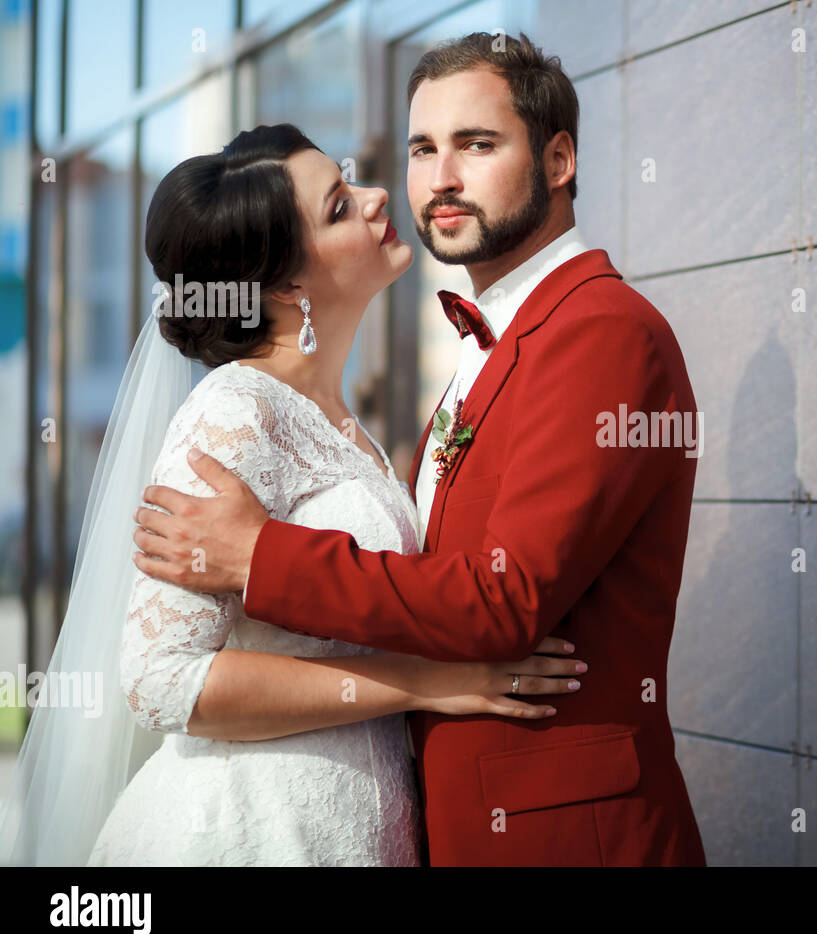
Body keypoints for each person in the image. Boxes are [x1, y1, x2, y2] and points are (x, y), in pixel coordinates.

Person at [130, 33, 708, 866]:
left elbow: (504, 600)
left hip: (565, 832)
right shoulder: (476, 353)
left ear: (558, 159)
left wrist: (263, 557)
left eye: (477, 145)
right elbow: (160, 671)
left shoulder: (602, 333)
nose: (438, 179)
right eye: (422, 149)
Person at [0, 122, 586, 866]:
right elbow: (160, 680)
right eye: (340, 207)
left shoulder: (343, 424)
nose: (379, 199)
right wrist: (420, 683)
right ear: (284, 286)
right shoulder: (234, 412)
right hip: (248, 834)